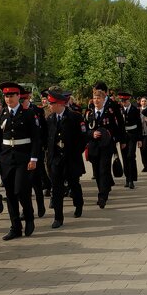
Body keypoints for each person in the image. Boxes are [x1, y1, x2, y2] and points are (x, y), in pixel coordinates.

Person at [0, 81, 42, 240]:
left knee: (21, 190)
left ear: (19, 96)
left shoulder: (28, 114)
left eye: (12, 95)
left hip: (23, 157)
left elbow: (36, 138)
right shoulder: (1, 115)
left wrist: (34, 158)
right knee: (10, 193)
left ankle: (29, 216)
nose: (8, 98)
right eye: (6, 96)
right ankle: (15, 227)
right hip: (6, 157)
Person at [44, 89, 87, 228]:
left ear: (59, 104)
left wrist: (76, 152)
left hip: (71, 158)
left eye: (51, 103)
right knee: (56, 188)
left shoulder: (75, 117)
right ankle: (58, 217)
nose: (49, 106)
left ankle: (79, 204)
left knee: (74, 184)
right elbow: (47, 139)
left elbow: (83, 138)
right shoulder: (50, 119)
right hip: (56, 159)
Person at [85, 81, 124, 208]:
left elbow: (118, 125)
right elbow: (85, 128)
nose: (96, 100)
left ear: (104, 98)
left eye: (99, 98)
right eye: (94, 98)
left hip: (107, 145)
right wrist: (91, 134)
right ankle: (103, 188)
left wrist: (120, 139)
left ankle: (102, 196)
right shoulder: (90, 112)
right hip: (94, 146)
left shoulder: (110, 110)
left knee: (103, 170)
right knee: (96, 171)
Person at [19, 91, 48, 216]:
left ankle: (40, 205)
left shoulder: (37, 110)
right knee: (23, 183)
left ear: (28, 99)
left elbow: (43, 131)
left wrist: (43, 147)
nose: (21, 103)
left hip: (35, 150)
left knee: (36, 180)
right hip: (21, 151)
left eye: (23, 100)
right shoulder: (15, 112)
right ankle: (26, 209)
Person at [117, 90, 142, 189]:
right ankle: (127, 178)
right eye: (122, 101)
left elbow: (139, 125)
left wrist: (140, 139)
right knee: (124, 157)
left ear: (129, 100)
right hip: (123, 136)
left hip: (132, 135)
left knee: (130, 156)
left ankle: (132, 179)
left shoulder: (135, 109)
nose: (123, 102)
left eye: (125, 100)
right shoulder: (119, 110)